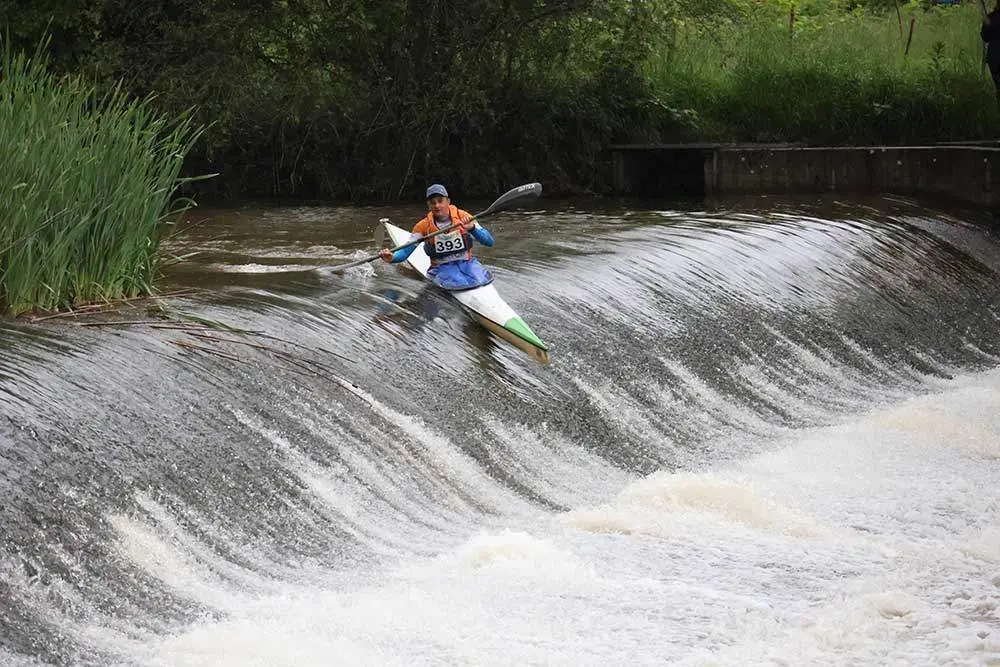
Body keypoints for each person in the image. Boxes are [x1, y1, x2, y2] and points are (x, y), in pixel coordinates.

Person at [379, 183, 495, 290]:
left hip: (468, 264)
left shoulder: (464, 217)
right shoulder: (423, 227)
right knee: (455, 279)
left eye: (440, 201)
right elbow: (405, 252)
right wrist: (392, 257)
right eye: (432, 202)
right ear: (428, 205)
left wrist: (472, 229)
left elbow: (489, 242)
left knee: (480, 277)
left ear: (448, 201)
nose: (437, 205)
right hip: (441, 269)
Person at [981, 1, 1000, 110]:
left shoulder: (991, 18)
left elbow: (985, 37)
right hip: (995, 58)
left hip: (994, 58)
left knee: (998, 88)